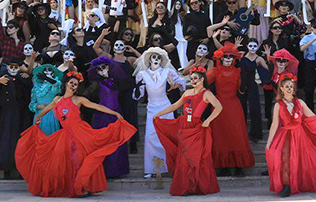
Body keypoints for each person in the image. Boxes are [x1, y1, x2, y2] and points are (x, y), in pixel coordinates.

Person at [15, 71, 136, 198]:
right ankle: (68, 186)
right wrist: (39, 117)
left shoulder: (79, 99)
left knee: (79, 158)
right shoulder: (57, 99)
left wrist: (114, 113)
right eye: (72, 83)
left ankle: (82, 187)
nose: (73, 86)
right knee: (61, 158)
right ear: (66, 84)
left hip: (80, 132)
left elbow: (96, 106)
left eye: (76, 84)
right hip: (65, 134)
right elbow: (46, 109)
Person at [154, 66, 223, 196]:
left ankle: (197, 186)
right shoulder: (187, 92)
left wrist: (208, 120)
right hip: (184, 125)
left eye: (195, 78)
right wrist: (159, 113)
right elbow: (175, 105)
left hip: (196, 127)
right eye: (191, 79)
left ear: (202, 79)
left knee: (195, 157)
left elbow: (219, 107)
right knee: (184, 156)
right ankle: (185, 186)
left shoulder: (207, 93)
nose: (193, 81)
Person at [132, 47, 186, 178]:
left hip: (165, 107)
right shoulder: (142, 74)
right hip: (152, 107)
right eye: (153, 57)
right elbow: (139, 95)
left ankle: (170, 166)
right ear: (149, 60)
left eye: (158, 58)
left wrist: (175, 85)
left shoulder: (167, 71)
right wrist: (138, 90)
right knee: (150, 136)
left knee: (167, 136)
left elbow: (181, 81)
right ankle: (151, 169)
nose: (155, 60)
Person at [207, 43, 255, 177]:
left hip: (234, 106)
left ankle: (238, 166)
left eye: (230, 57)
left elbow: (242, 88)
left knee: (236, 134)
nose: (228, 59)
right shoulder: (215, 71)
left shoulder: (238, 72)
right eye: (225, 56)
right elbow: (203, 82)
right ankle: (223, 166)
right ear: (221, 58)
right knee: (221, 135)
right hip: (219, 107)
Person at [86, 55, 131, 178]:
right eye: (99, 69)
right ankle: (103, 171)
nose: (102, 70)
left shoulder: (116, 80)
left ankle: (116, 170)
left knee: (117, 142)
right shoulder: (96, 84)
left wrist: (108, 78)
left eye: (104, 67)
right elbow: (86, 95)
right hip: (102, 116)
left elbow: (124, 87)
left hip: (116, 113)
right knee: (103, 143)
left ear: (108, 67)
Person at [0, 59, 30, 178]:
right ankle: (6, 168)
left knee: (18, 139)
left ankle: (20, 167)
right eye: (11, 67)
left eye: (16, 67)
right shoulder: (3, 79)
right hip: (6, 113)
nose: (13, 70)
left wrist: (26, 76)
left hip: (20, 114)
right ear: (7, 68)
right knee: (5, 139)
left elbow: (27, 92)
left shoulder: (23, 79)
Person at [29, 64, 63, 135]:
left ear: (53, 73)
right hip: (39, 115)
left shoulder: (55, 84)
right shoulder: (36, 86)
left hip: (51, 114)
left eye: (49, 70)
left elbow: (56, 87)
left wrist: (47, 79)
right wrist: (38, 106)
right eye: (45, 70)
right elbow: (32, 103)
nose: (47, 72)